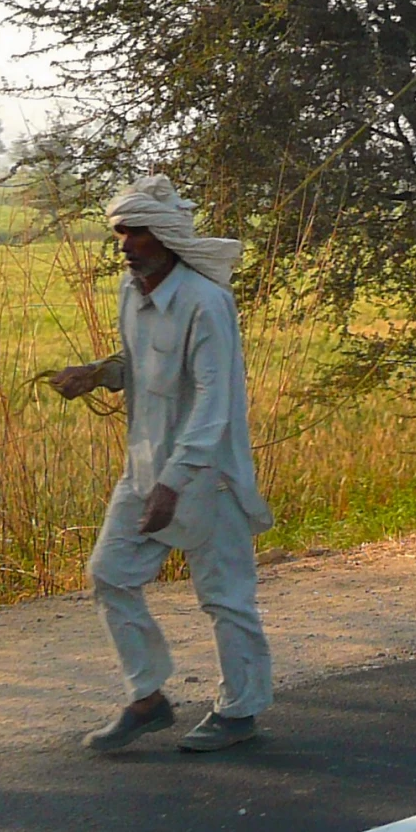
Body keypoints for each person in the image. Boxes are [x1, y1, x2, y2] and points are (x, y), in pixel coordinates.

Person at [49, 176, 275, 753]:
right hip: (145, 470)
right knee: (110, 574)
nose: (125, 244)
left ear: (168, 237)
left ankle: (240, 711)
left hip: (206, 476)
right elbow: (142, 367)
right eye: (121, 232)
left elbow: (213, 400)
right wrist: (98, 374)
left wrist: (175, 483)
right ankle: (148, 698)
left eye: (137, 232)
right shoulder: (133, 295)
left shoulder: (207, 303)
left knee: (225, 595)